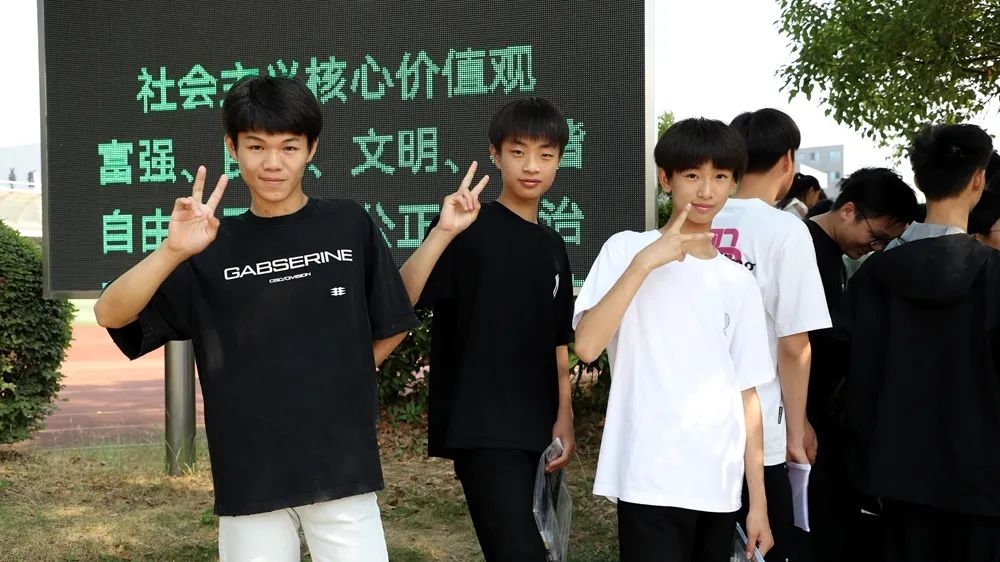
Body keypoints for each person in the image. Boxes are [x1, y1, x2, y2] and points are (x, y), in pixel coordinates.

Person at [93, 75, 418, 561]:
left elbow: (392, 320)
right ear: (233, 147)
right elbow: (109, 313)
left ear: (311, 149)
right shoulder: (207, 246)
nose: (272, 163)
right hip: (249, 473)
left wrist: (344, 375)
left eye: (289, 147)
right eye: (256, 146)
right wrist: (171, 251)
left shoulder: (349, 223)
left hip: (341, 466)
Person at [573, 118, 774, 562]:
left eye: (720, 177)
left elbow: (747, 394)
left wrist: (757, 503)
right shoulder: (626, 250)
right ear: (665, 179)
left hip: (719, 482)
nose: (706, 190)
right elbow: (586, 346)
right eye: (692, 175)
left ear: (734, 184)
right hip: (649, 476)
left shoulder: (738, 281)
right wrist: (645, 263)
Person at [398, 97, 575, 562]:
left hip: (539, 428)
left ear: (559, 160)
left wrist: (565, 416)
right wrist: (443, 232)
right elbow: (402, 299)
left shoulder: (553, 245)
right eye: (518, 152)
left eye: (545, 154)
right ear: (495, 155)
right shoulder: (467, 228)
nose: (531, 166)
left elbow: (558, 338)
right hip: (483, 428)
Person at [841, 123, 1000, 561]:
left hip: (894, 479)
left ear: (918, 179)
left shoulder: (873, 277)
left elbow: (856, 380)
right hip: (982, 480)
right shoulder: (993, 276)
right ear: (978, 180)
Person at [713, 108, 831, 562]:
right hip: (759, 427)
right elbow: (794, 345)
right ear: (787, 161)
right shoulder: (786, 231)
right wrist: (797, 430)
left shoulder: (697, 218)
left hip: (693, 424)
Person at [801, 167, 919, 562]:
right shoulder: (804, 249)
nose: (877, 248)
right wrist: (800, 418)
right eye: (877, 236)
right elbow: (797, 344)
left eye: (887, 242)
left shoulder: (831, 254)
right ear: (848, 210)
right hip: (797, 419)